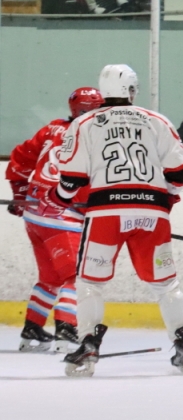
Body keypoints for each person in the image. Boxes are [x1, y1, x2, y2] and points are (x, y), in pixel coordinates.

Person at [50, 64, 183, 377]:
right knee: (166, 284)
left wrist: (61, 197)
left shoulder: (85, 122)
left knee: (90, 282)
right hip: (152, 212)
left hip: (106, 212)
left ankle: (88, 343)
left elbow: (72, 178)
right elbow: (179, 173)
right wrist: (164, 200)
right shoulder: (157, 120)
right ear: (131, 90)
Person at [5, 87, 104, 353]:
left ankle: (33, 328)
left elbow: (21, 157)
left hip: (35, 215)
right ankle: (67, 329)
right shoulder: (93, 137)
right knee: (76, 276)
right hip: (63, 218)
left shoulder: (52, 129)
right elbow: (85, 184)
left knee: (49, 276)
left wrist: (20, 193)